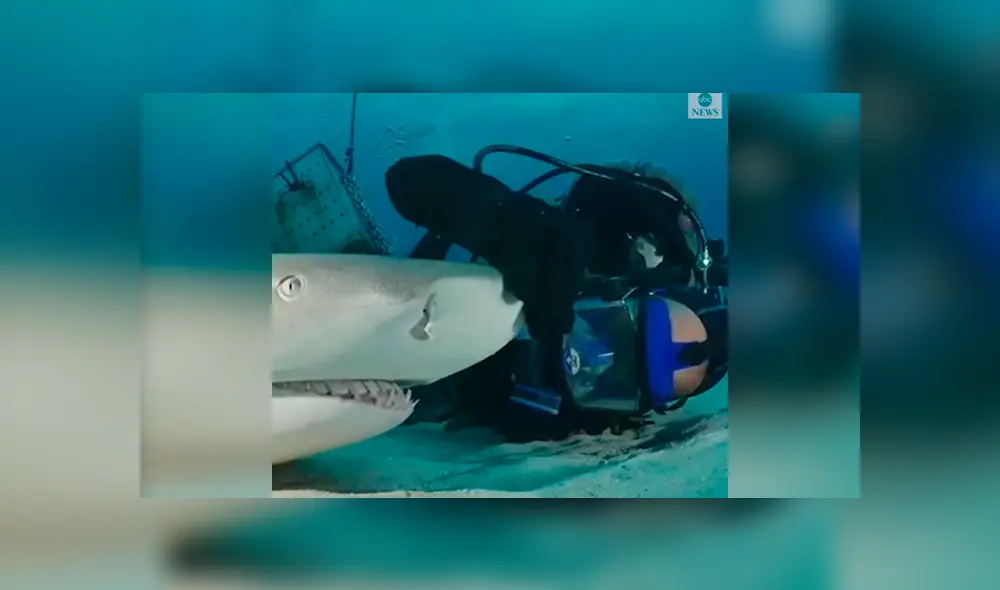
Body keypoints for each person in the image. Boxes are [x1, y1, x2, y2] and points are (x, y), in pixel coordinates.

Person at [385, 145, 728, 440]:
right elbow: (408, 179)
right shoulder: (544, 267)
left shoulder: (690, 311)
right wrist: (502, 215)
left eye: (652, 248)